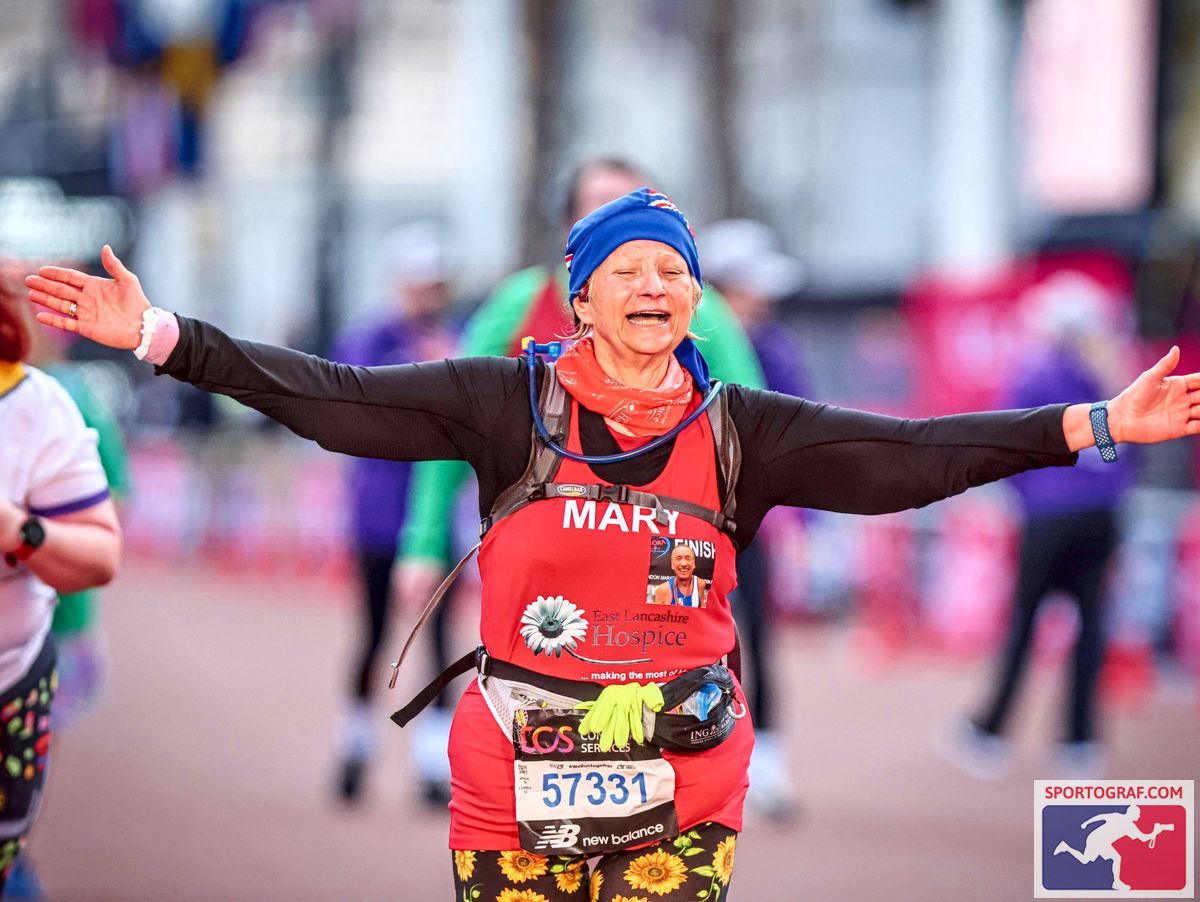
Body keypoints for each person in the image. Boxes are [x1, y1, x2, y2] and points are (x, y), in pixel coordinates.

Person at [26, 189, 1200, 900]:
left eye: (675, 270)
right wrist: (170, 338)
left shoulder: (745, 428)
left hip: (686, 772)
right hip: (511, 768)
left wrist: (1092, 424)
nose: (657, 284)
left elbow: (916, 451)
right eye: (628, 268)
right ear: (578, 298)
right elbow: (333, 394)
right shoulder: (501, 401)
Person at [393, 159, 765, 812]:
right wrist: (423, 541)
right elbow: (452, 425)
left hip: (658, 542)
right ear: (571, 226)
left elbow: (757, 424)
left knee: (657, 690)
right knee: (545, 676)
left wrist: (740, 523)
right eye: (598, 206)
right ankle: (541, 803)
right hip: (543, 547)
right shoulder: (517, 303)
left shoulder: (690, 308)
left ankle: (657, 803)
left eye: (634, 208)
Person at [941, 273, 1133, 780]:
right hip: (1102, 516)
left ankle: (990, 733)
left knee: (1025, 624)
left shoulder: (1037, 373)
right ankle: (1081, 743)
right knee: (1091, 627)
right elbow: (1118, 456)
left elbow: (1009, 444)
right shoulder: (1112, 378)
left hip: (1051, 518)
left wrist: (1029, 499)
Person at [0, 262, 122, 893]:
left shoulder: (60, 397)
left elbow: (109, 516)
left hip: (51, 634)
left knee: (21, 814)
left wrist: (28, 536)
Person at [327, 222, 459, 804]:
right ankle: (355, 747)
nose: (428, 294)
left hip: (439, 517)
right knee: (376, 631)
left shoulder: (459, 340)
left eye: (436, 284)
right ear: (399, 283)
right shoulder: (369, 339)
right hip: (378, 515)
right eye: (419, 283)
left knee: (441, 639)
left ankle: (433, 764)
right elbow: (350, 409)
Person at [702, 217, 810, 823]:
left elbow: (800, 435)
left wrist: (806, 527)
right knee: (686, 645)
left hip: (755, 524)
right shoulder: (678, 341)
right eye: (751, 286)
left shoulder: (775, 348)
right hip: (687, 525)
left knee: (760, 641)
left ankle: (766, 766)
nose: (763, 299)